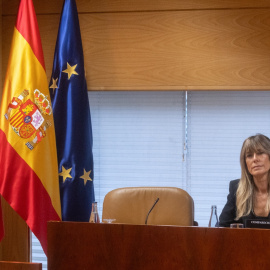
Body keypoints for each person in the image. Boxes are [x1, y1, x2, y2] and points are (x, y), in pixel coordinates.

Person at [219, 134, 270, 227]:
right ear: (245, 163)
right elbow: (222, 227)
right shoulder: (237, 188)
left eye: (260, 153)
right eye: (249, 155)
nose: (255, 159)